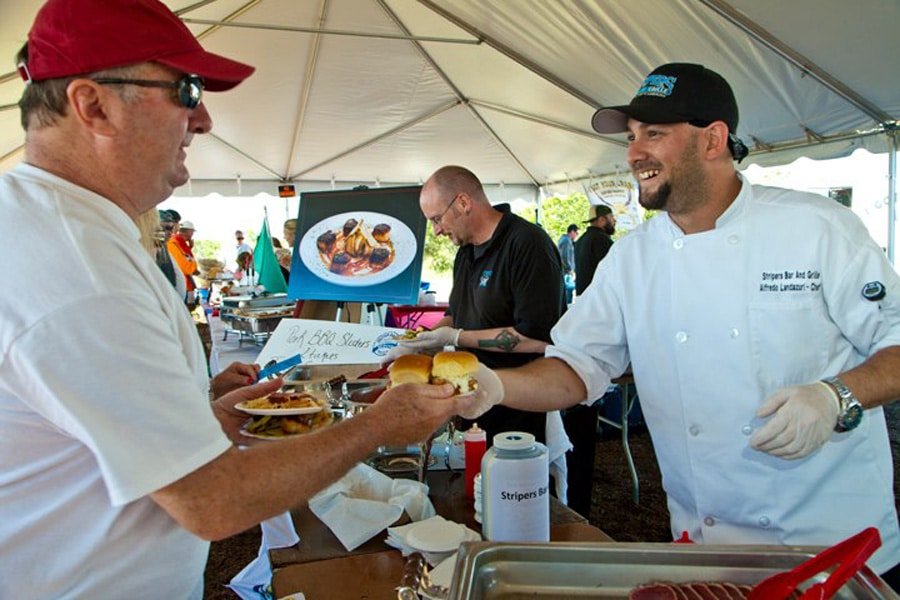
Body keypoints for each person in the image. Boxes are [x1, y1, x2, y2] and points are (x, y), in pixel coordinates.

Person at [0, 1, 479, 597]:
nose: (202, 120)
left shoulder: (55, 229)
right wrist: (382, 424)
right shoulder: (79, 266)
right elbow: (212, 500)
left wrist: (200, 415)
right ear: (93, 105)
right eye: (186, 90)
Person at [465, 63, 900, 582]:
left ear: (713, 139)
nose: (633, 154)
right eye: (630, 137)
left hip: (833, 553)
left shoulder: (818, 228)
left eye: (653, 133)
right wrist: (494, 386)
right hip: (707, 553)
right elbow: (576, 366)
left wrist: (836, 396)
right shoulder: (631, 259)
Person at [391, 165, 566, 449]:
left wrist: (457, 337)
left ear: (463, 202)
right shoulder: (465, 252)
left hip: (519, 404)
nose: (436, 231)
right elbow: (455, 315)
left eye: (437, 219)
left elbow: (537, 338)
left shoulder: (527, 244)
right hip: (474, 398)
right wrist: (420, 342)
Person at [574, 204, 616, 296]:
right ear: (601, 220)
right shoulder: (601, 239)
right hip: (599, 298)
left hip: (583, 297)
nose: (614, 220)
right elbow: (612, 273)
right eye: (611, 217)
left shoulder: (581, 240)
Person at [167, 219, 200, 303]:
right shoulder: (174, 243)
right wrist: (194, 270)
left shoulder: (180, 243)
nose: (192, 234)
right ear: (189, 231)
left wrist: (190, 247)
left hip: (185, 283)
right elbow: (184, 266)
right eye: (192, 232)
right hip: (181, 284)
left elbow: (185, 258)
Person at [557, 223, 578, 304]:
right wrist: (570, 270)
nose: (577, 235)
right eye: (576, 233)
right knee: (567, 295)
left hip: (565, 272)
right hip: (566, 273)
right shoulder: (566, 241)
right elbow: (565, 256)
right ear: (572, 231)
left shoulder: (564, 240)